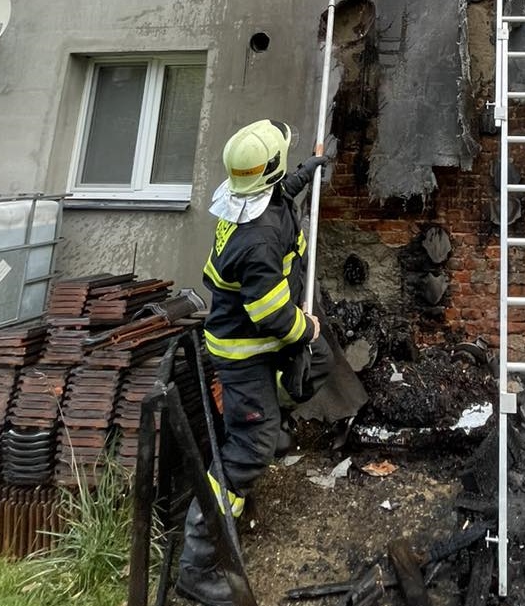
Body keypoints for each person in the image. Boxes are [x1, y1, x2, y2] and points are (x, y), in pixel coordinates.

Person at [177, 118, 333, 606]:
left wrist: (309, 170)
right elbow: (269, 313)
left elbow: (280, 191)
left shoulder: (254, 199)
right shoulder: (260, 239)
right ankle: (199, 562)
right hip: (247, 347)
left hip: (260, 336)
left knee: (318, 364)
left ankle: (272, 413)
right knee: (249, 447)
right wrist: (305, 329)